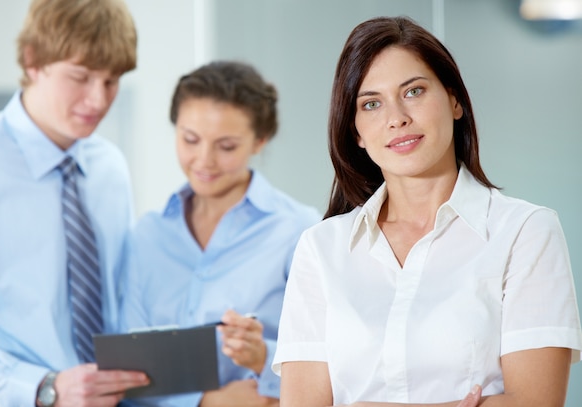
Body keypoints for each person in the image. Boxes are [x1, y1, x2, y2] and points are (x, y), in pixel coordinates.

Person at [272, 16, 582, 407]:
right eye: (371, 104)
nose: (396, 117)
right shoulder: (321, 249)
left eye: (414, 91)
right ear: (356, 132)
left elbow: (536, 404)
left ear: (454, 100)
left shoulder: (525, 231)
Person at [0, 1, 150, 406]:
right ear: (33, 62)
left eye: (111, 81)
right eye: (80, 77)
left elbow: (118, 303)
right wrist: (44, 388)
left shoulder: (110, 168)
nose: (98, 100)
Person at [120, 61, 320, 406]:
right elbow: (129, 370)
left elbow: (330, 362)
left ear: (260, 140)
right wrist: (205, 401)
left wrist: (262, 357)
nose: (204, 160)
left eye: (226, 146)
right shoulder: (147, 235)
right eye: (190, 139)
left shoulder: (299, 231)